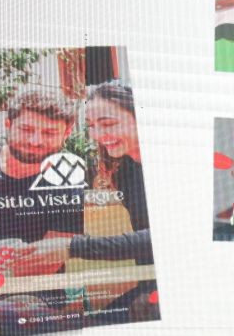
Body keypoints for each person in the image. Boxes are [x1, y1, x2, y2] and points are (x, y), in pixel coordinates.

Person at [15, 81, 154, 275]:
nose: (98, 135)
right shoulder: (124, 168)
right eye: (91, 125)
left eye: (108, 124)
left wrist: (73, 247)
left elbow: (165, 238)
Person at [0, 89, 81, 273]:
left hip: (35, 287)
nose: (35, 141)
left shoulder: (70, 182)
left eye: (49, 133)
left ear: (66, 133)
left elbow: (45, 263)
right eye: (26, 130)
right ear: (8, 124)